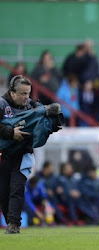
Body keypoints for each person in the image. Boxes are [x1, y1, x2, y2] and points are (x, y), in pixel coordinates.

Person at [0, 75, 34, 234]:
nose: (26, 97)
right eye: (23, 94)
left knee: (17, 188)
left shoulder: (32, 106)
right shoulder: (1, 105)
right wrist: (10, 133)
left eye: (28, 93)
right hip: (3, 154)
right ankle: (10, 222)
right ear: (12, 93)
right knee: (3, 191)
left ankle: (14, 224)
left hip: (22, 154)